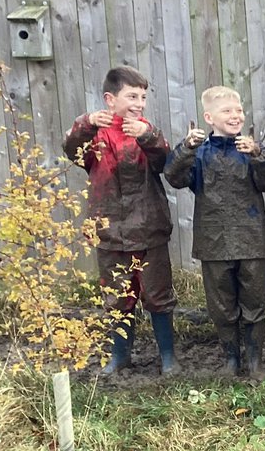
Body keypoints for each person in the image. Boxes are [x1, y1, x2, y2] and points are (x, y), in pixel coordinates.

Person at [62, 65, 179, 375]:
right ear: (110, 99)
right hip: (110, 230)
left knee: (158, 295)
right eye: (132, 96)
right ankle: (120, 357)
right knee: (117, 297)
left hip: (149, 228)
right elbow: (72, 151)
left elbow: (166, 163)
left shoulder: (146, 130)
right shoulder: (95, 133)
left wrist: (149, 137)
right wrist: (84, 125)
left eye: (143, 97)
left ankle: (168, 358)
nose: (139, 103)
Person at [165, 86, 265, 376]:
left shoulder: (251, 149)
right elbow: (175, 178)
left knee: (256, 301)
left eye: (239, 110)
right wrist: (185, 149)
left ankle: (255, 362)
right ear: (209, 117)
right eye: (227, 111)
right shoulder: (198, 152)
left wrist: (258, 155)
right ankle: (231, 360)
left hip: (252, 239)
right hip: (213, 240)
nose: (235, 115)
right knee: (221, 304)